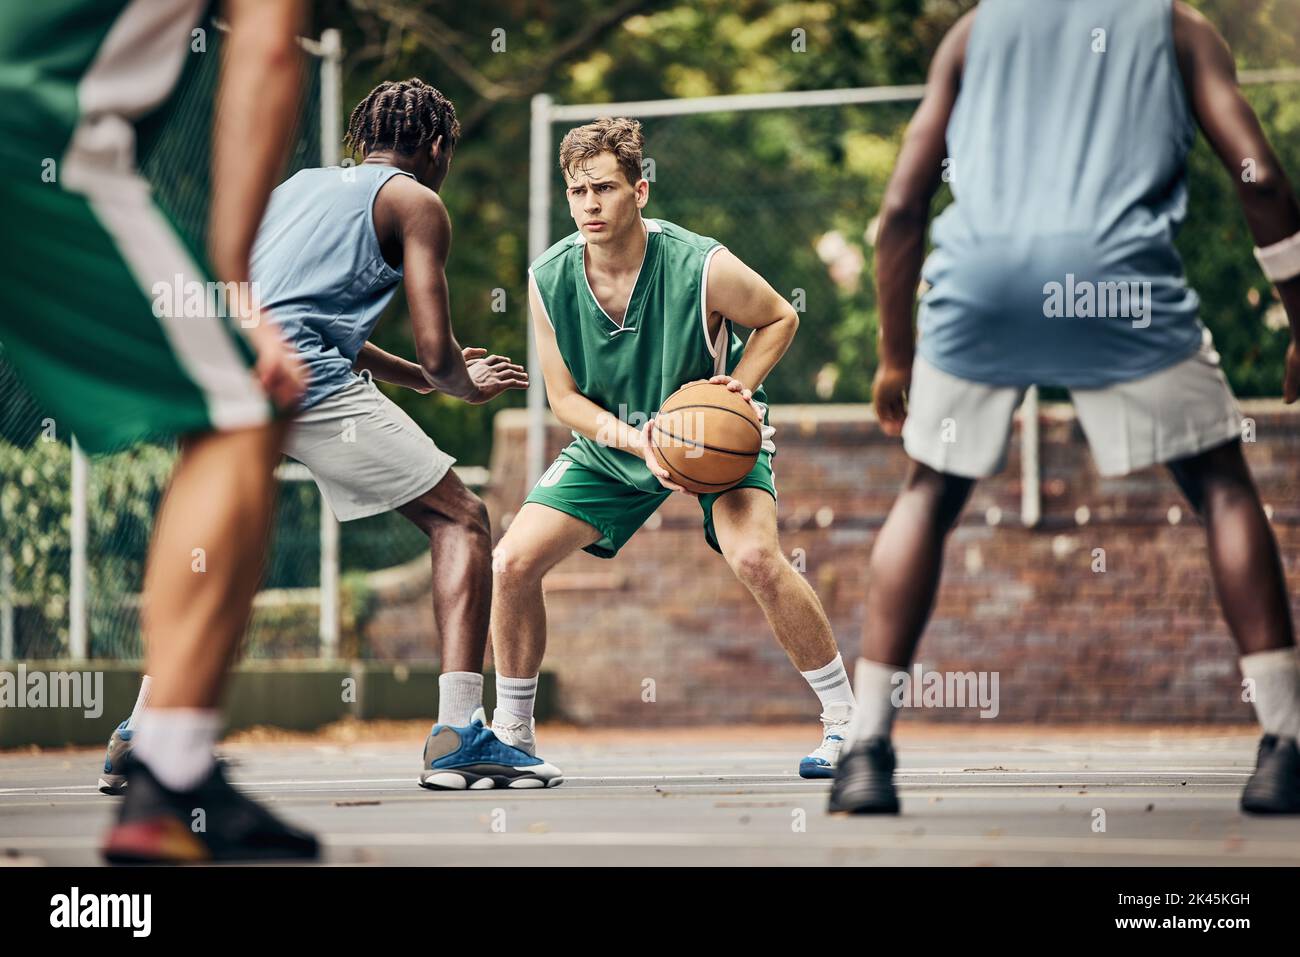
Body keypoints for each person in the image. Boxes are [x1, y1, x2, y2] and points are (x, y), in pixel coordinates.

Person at [830, 0, 1300, 815]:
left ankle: (866, 748)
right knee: (1220, 481)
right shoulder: (1177, 28)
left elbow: (903, 205)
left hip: (982, 284)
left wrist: (895, 354)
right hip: (1113, 283)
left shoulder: (977, 31)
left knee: (930, 490)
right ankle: (1286, 742)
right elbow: (1258, 173)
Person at [99, 78, 563, 793]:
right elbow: (440, 352)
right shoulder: (417, 202)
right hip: (303, 379)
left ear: (364, 139)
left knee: (220, 548)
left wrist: (416, 377)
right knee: (462, 518)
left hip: (224, 366)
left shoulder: (299, 187)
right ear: (435, 146)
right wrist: (458, 381)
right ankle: (460, 732)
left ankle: (145, 729)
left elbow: (297, 309)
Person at [0, 0, 321, 860]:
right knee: (243, 407)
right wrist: (231, 282)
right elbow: (266, 47)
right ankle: (170, 777)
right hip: (36, 135)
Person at [490, 118, 855, 776]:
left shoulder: (700, 264)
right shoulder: (548, 279)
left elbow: (781, 316)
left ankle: (848, 725)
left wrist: (732, 395)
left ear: (641, 190)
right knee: (511, 562)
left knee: (757, 559)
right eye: (576, 192)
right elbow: (565, 399)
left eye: (604, 187)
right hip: (615, 441)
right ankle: (513, 735)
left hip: (712, 437)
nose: (589, 204)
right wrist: (640, 439)